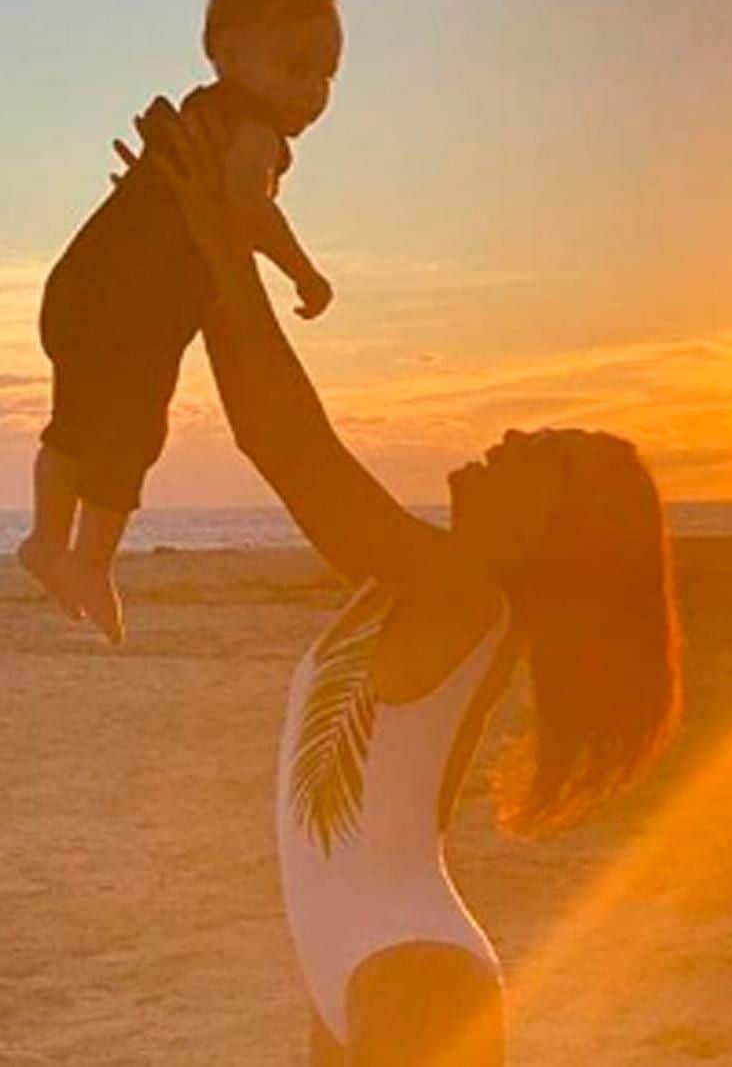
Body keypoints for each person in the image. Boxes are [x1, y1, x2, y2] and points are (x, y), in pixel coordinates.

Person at [123, 97, 684, 1066]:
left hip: (409, 973)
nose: (507, 437)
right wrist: (207, 249)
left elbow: (286, 444)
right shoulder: (421, 592)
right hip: (351, 967)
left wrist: (212, 241)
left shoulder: (459, 597)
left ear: (558, 530)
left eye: (539, 453)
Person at [19, 0, 341, 644]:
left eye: (325, 74)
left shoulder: (195, 113)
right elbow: (248, 210)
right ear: (227, 52)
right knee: (132, 435)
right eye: (294, 65)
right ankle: (89, 561)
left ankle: (49, 542)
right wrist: (304, 272)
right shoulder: (252, 129)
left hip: (82, 285)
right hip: (137, 311)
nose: (312, 89)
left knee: (74, 424)